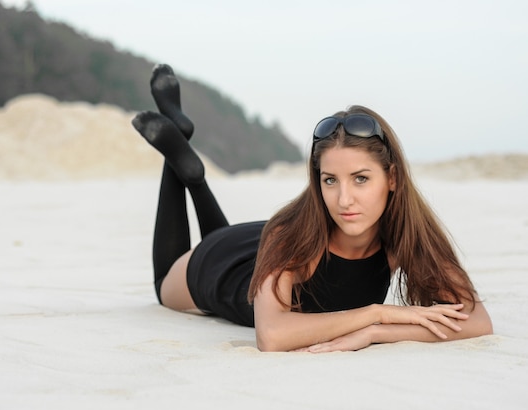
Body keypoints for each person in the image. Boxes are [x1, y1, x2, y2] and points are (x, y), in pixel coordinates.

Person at [131, 63, 493, 353]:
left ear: (393, 178)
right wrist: (376, 314)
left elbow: (477, 321)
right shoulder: (289, 231)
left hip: (265, 252)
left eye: (361, 179)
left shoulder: (408, 234)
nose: (344, 199)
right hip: (227, 265)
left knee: (221, 238)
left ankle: (189, 164)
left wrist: (378, 333)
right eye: (330, 180)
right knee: (165, 285)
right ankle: (179, 163)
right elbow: (271, 336)